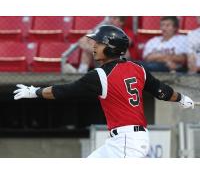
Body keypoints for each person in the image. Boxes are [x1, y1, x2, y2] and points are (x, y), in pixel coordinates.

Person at [13, 25, 194, 158]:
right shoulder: (138, 68)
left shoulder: (100, 75)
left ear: (111, 47)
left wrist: (34, 91)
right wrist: (181, 98)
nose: (94, 46)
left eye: (99, 43)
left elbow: (64, 91)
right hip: (122, 140)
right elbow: (162, 91)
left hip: (126, 141)